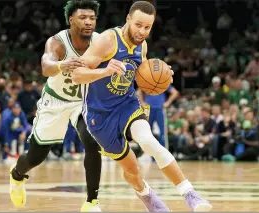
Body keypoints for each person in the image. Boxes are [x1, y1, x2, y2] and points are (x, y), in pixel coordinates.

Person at [71, 1, 212, 211]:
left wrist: (162, 75)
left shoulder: (142, 45)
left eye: (147, 27)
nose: (142, 31)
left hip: (127, 104)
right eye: (138, 25)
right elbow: (76, 75)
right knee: (133, 170)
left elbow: (142, 75)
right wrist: (105, 71)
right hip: (99, 116)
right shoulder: (107, 41)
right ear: (128, 19)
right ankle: (149, 199)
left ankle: (191, 195)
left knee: (149, 141)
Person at [9, 0, 102, 211]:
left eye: (92, 18)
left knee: (91, 140)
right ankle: (17, 175)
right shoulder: (57, 42)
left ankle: (91, 202)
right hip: (56, 101)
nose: (88, 22)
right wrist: (61, 65)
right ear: (71, 20)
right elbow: (46, 66)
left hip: (82, 101)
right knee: (35, 157)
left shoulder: (100, 41)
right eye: (83, 18)